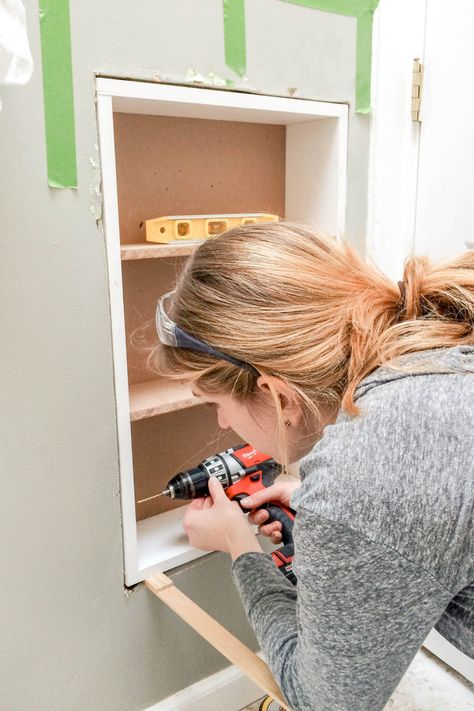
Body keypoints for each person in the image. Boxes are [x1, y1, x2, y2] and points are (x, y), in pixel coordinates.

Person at [150, 222, 474, 711]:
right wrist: (333, 521)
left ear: (277, 396)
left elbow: (326, 702)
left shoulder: (364, 475)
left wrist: (239, 546)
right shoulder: (434, 349)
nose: (219, 422)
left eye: (211, 402)